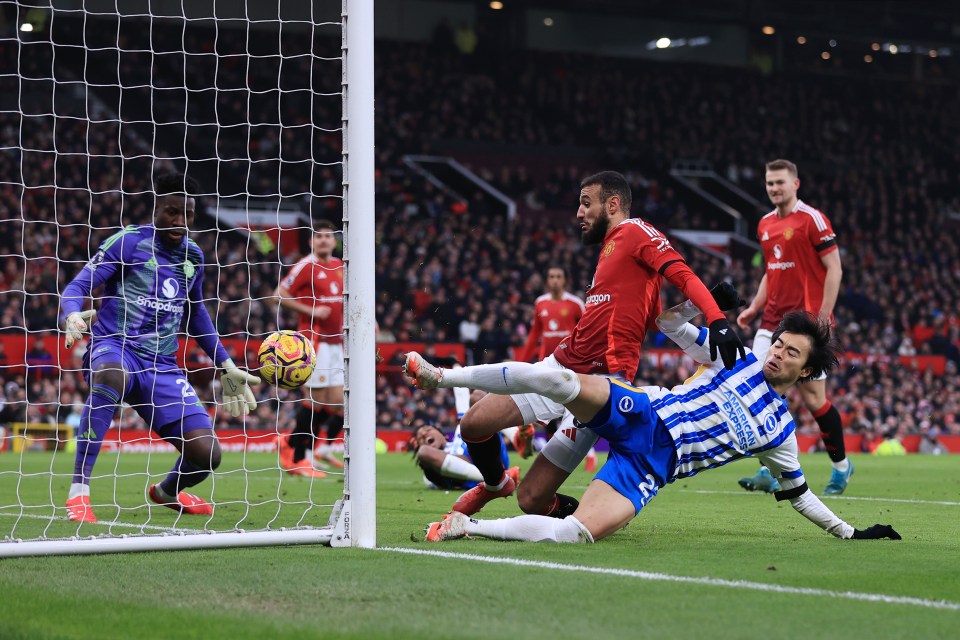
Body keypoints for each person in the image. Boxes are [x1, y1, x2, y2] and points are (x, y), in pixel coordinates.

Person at [404, 301, 901, 544]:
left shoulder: (781, 435)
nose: (777, 354)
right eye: (778, 343)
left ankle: (467, 526)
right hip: (644, 410)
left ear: (806, 371)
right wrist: (709, 307)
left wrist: (849, 533)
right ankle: (441, 375)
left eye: (791, 352)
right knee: (560, 381)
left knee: (577, 534)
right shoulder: (739, 358)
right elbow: (668, 325)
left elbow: (800, 495)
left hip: (652, 466)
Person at [447, 171, 746, 521]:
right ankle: (496, 485)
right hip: (561, 366)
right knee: (473, 424)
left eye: (586, 203)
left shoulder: (637, 232)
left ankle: (576, 516)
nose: (578, 212)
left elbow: (682, 274)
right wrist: (700, 307)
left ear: (613, 204)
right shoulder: (609, 250)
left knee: (531, 500)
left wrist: (716, 318)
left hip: (598, 391)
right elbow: (653, 320)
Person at [59, 173, 259, 523]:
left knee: (207, 454)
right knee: (111, 376)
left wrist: (225, 364)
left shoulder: (193, 256)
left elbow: (195, 313)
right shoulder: (128, 242)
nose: (179, 221)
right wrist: (72, 315)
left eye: (188, 214)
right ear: (156, 209)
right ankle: (79, 492)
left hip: (161, 366)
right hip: (114, 347)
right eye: (171, 211)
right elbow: (77, 287)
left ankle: (167, 491)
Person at [736, 159, 852, 495]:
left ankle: (842, 468)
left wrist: (824, 317)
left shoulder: (812, 220)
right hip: (772, 323)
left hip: (806, 325)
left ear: (795, 184)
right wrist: (755, 307)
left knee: (815, 401)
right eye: (770, 183)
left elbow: (835, 269)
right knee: (759, 389)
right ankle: (769, 469)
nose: (774, 188)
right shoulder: (764, 224)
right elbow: (771, 273)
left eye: (780, 182)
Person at [272, 221, 344, 477]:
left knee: (337, 403)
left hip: (338, 343)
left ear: (335, 241)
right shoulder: (306, 265)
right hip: (315, 341)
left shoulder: (339, 266)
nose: (324, 240)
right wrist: (311, 311)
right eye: (319, 236)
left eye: (328, 236)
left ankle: (296, 445)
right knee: (316, 400)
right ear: (311, 241)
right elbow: (278, 294)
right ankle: (297, 455)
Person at [514, 266, 591, 468]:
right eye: (551, 276)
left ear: (564, 280)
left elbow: (586, 331)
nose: (554, 280)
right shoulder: (540, 303)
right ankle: (549, 453)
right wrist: (523, 360)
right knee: (547, 406)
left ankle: (589, 452)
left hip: (570, 363)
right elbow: (535, 334)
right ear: (547, 281)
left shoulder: (575, 304)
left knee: (573, 406)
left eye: (558, 276)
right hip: (547, 363)